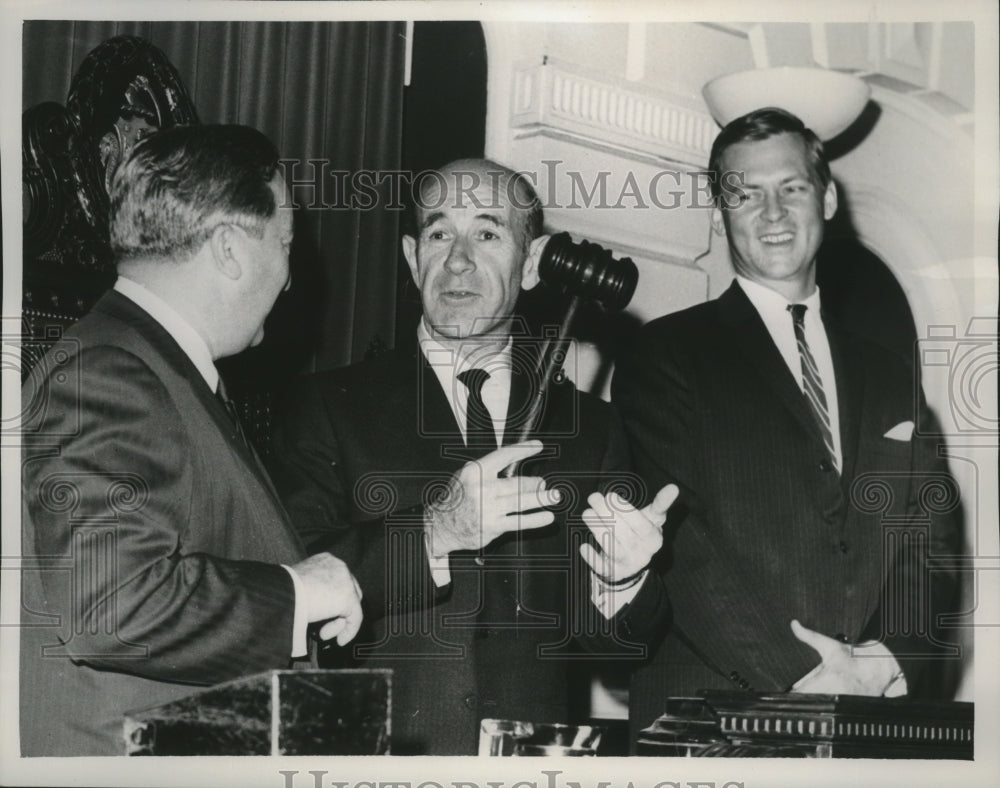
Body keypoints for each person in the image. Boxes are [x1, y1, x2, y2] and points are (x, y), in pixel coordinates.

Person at [272, 158, 676, 755]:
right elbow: (284, 589)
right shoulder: (328, 405)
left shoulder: (591, 429)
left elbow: (621, 649)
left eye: (487, 233)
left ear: (532, 263)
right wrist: (436, 532)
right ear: (413, 259)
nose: (458, 260)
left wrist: (625, 578)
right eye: (439, 234)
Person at [612, 108, 962, 739]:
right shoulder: (662, 356)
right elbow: (681, 550)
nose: (772, 215)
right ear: (721, 213)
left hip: (868, 719)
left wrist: (882, 663)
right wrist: (810, 681)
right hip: (713, 723)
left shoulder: (890, 374)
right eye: (745, 194)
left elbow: (926, 544)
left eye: (791, 188)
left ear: (826, 199)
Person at [19, 124, 364, 756]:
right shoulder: (112, 374)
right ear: (231, 250)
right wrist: (297, 592)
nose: (288, 280)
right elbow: (112, 606)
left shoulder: (148, 367)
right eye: (284, 245)